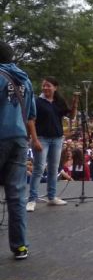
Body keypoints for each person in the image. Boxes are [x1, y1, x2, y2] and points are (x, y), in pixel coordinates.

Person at [0, 40, 40, 260]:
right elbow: (32, 113)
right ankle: (20, 246)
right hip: (19, 138)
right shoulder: (24, 78)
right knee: (16, 195)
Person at [26, 77, 77, 211]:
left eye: (48, 86)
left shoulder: (58, 102)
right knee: (39, 169)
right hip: (42, 138)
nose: (45, 88)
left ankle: (52, 196)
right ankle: (32, 199)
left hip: (57, 139)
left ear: (55, 87)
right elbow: (31, 120)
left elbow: (71, 116)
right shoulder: (37, 102)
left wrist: (75, 103)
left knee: (54, 169)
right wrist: (34, 139)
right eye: (44, 86)